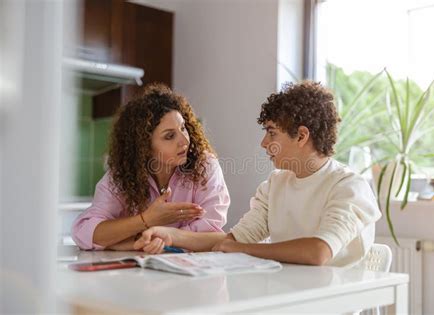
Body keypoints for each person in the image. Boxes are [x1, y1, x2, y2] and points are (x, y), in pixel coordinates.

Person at [134, 81, 381, 266]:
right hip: (287, 296)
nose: (264, 143)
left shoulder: (349, 187)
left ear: (302, 136)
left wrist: (242, 249)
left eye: (272, 133)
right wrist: (170, 235)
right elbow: (232, 240)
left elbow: (318, 252)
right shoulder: (275, 184)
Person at [71, 83, 230, 251]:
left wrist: (143, 239)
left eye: (183, 128)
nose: (184, 140)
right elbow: (85, 232)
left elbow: (214, 235)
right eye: (169, 136)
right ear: (144, 147)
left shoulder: (205, 166)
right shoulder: (123, 175)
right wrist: (146, 219)